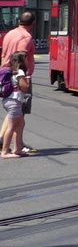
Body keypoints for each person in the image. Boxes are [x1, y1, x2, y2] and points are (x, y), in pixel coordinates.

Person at [1, 11, 36, 154]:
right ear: (33, 23)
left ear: (18, 21)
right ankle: (18, 145)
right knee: (19, 113)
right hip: (17, 76)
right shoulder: (25, 37)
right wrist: (24, 76)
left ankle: (2, 139)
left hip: (6, 73)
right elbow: (20, 58)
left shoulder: (10, 33)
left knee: (12, 112)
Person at [0, 53, 30, 158]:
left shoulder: (12, 69)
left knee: (20, 124)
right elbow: (25, 87)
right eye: (26, 58)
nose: (28, 60)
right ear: (22, 60)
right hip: (14, 102)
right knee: (12, 127)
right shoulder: (20, 72)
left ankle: (17, 149)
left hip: (9, 100)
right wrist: (28, 77)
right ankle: (4, 152)